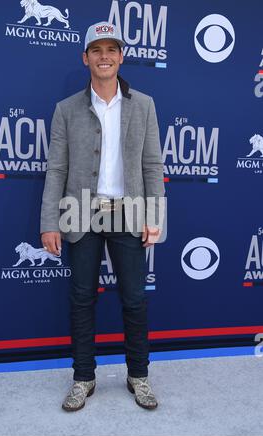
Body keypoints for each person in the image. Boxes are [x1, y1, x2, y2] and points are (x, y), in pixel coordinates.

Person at [40, 21, 165, 412]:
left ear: (121, 57)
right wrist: (48, 221)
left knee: (134, 300)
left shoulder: (144, 105)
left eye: (112, 50)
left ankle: (138, 376)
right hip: (80, 214)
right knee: (80, 299)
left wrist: (154, 215)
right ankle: (83, 378)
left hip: (129, 213)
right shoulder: (65, 110)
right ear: (85, 58)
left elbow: (151, 163)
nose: (105, 57)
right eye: (97, 50)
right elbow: (56, 169)